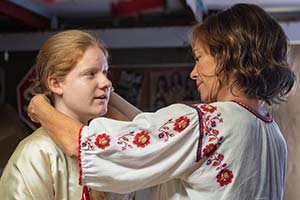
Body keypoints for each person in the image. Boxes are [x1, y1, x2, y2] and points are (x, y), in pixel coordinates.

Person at [27, 4, 296, 200]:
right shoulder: (272, 135)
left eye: (199, 57)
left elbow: (85, 146)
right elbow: (151, 131)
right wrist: (107, 90)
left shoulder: (210, 123)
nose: (193, 72)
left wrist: (40, 105)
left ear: (227, 57)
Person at [0, 30, 138, 200]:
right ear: (56, 83)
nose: (107, 82)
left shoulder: (111, 146)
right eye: (91, 74)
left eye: (105, 72)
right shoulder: (37, 152)